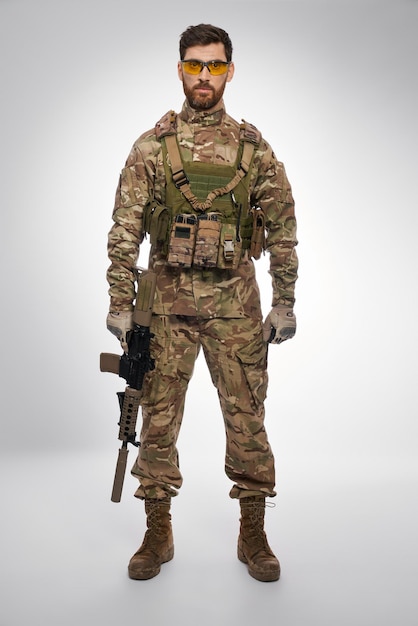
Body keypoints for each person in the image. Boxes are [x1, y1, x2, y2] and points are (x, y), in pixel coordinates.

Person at [106, 23, 298, 583]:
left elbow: (284, 230)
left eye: (215, 65)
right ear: (181, 70)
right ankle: (157, 530)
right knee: (157, 419)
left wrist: (284, 303)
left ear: (230, 71)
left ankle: (253, 531)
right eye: (195, 65)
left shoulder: (254, 149)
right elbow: (125, 229)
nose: (204, 76)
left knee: (247, 419)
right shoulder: (151, 147)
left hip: (236, 305)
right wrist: (120, 302)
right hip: (164, 305)